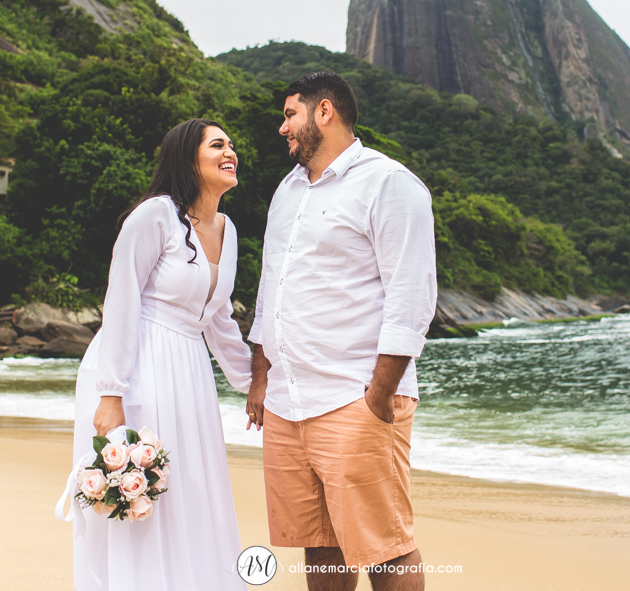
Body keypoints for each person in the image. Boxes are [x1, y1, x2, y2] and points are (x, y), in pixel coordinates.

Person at [245, 72, 437, 591]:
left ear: (323, 112)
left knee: (383, 546)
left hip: (355, 397)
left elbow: (411, 295)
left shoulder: (389, 183)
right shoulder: (287, 190)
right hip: (289, 401)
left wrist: (379, 393)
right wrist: (261, 377)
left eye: (290, 115)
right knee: (320, 541)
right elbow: (272, 290)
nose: (282, 127)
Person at [70, 118, 252, 590]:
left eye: (231, 145)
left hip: (190, 370)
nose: (230, 151)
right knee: (145, 496)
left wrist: (254, 387)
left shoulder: (227, 229)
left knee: (191, 490)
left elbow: (217, 317)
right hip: (140, 366)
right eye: (217, 145)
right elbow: (123, 298)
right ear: (189, 158)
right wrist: (111, 393)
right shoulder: (155, 214)